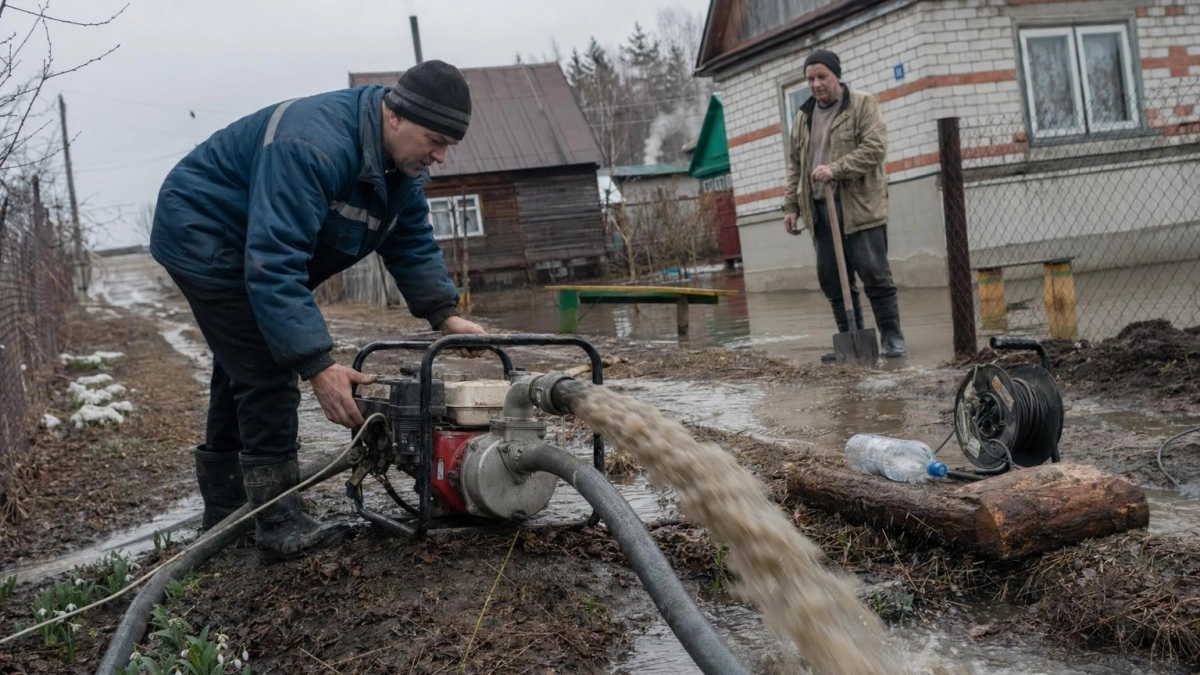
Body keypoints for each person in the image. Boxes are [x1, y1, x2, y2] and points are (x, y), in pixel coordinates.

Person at [150, 60, 485, 562]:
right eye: (434, 139)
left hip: (256, 244)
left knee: (240, 363)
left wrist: (443, 314)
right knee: (264, 369)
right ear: (395, 117)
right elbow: (274, 262)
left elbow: (411, 237)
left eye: (447, 145)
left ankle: (226, 514)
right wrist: (318, 365)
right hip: (206, 233)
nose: (440, 155)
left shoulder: (403, 167)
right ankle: (280, 526)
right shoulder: (312, 146)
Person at [782, 49, 906, 361]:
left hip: (859, 208)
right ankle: (851, 339)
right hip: (820, 212)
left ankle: (892, 338)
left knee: (875, 274)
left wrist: (836, 168)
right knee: (832, 281)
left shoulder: (862, 105)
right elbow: (795, 166)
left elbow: (875, 148)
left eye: (822, 76)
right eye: (810, 78)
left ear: (837, 76)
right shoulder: (803, 117)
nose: (815, 83)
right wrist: (791, 205)